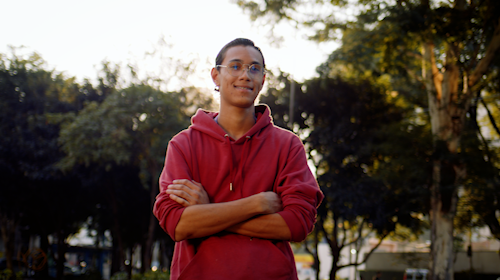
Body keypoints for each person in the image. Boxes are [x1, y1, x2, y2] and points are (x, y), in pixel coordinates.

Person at [153, 38, 324, 280]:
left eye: (254, 68)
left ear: (262, 80)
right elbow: (177, 224)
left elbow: (297, 224)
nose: (245, 75)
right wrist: (256, 205)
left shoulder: (287, 145)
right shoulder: (184, 144)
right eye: (235, 66)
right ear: (215, 76)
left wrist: (207, 211)